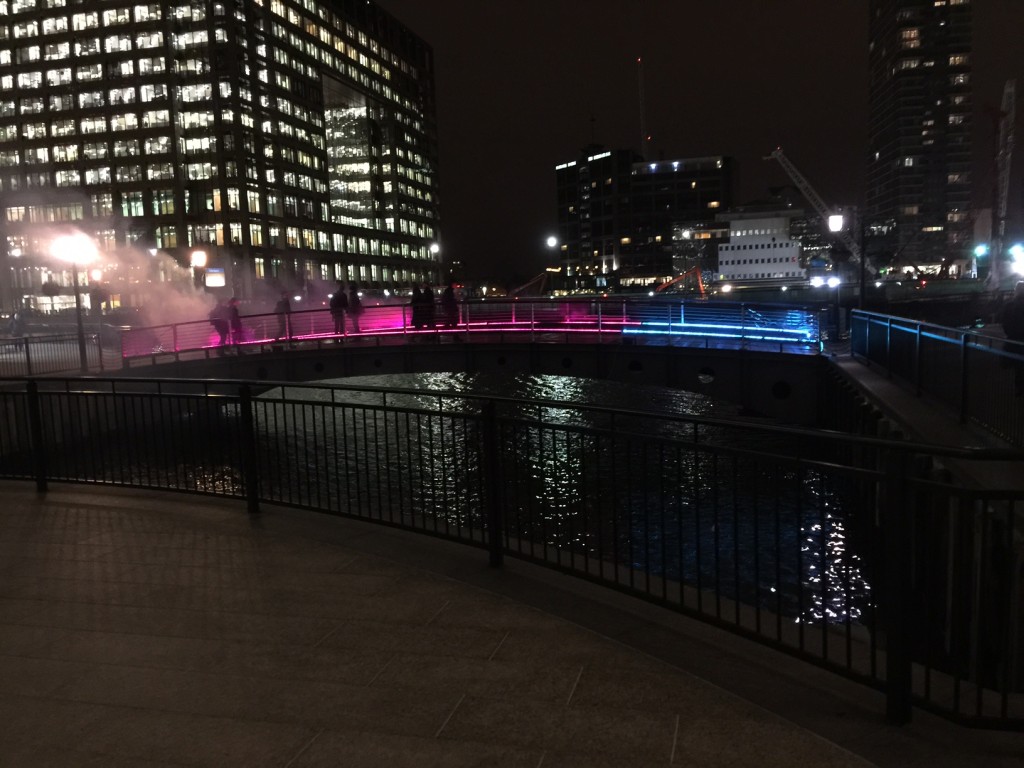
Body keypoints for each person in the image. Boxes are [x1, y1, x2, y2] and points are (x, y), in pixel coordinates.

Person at [1001, 281, 1024, 395]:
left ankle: (1019, 388)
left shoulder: (1009, 305)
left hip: (1013, 339)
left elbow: (1005, 323)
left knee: (1018, 367)